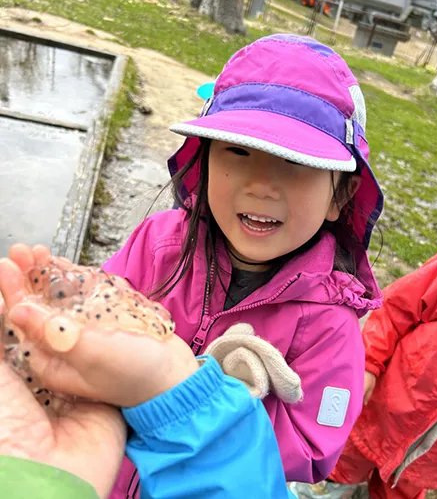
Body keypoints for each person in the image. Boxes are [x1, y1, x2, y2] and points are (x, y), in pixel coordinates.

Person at [97, 33, 384, 494]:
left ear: (342, 195)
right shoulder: (157, 244)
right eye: (239, 151)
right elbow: (97, 314)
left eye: (296, 162)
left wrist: (209, 398)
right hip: (102, 473)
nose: (261, 186)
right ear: (204, 158)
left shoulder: (330, 323)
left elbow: (314, 448)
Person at [0, 251, 295, 499]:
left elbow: (307, 450)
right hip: (106, 462)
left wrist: (207, 397)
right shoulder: (158, 241)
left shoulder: (324, 318)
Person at [322, 220, 437, 498]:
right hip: (383, 413)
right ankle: (329, 486)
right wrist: (369, 363)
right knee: (342, 463)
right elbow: (394, 312)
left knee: (402, 488)